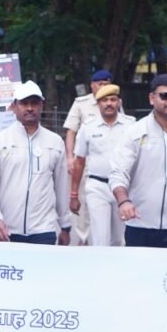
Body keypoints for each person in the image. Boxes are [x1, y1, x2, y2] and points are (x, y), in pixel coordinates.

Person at [110, 73, 167, 249]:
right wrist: (124, 202)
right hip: (141, 223)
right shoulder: (134, 132)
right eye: (165, 96)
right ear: (152, 98)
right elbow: (118, 174)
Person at [0, 81, 72, 245]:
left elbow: (61, 186)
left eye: (34, 103)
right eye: (24, 103)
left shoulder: (55, 142)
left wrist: (65, 225)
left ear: (42, 105)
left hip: (43, 230)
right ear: (14, 106)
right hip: (6, 229)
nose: (29, 108)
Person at [70, 84, 135, 246]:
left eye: (113, 99)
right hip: (97, 186)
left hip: (123, 187)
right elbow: (79, 161)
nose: (109, 104)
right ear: (98, 103)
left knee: (119, 238)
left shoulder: (131, 125)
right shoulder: (88, 127)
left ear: (119, 102)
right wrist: (74, 194)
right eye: (104, 100)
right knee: (100, 237)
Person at [63, 69, 112, 246]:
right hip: (83, 162)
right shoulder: (81, 104)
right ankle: (82, 239)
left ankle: (107, 241)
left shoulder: (114, 102)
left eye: (106, 84)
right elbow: (71, 131)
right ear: (92, 85)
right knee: (82, 202)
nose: (103, 87)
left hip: (105, 163)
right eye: (100, 84)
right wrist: (70, 157)